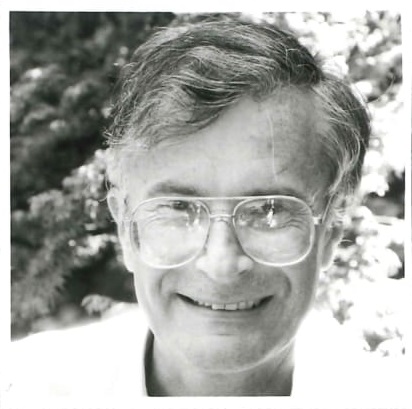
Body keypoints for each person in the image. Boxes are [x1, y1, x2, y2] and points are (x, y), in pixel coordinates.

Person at [6, 16, 406, 403]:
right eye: (179, 208)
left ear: (331, 231)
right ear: (127, 229)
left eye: (269, 210)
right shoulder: (24, 390)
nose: (221, 264)